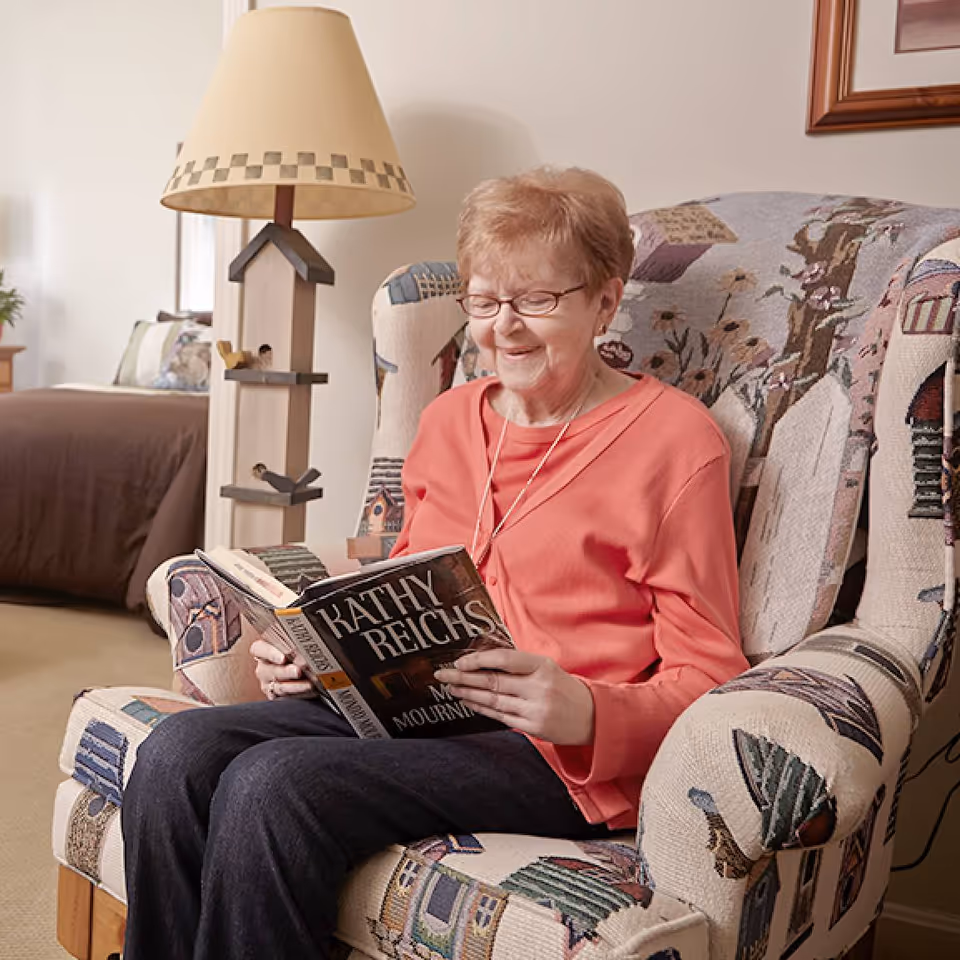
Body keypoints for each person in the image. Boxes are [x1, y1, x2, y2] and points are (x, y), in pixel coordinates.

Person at [121, 166, 749, 960]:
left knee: (274, 785)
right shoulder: (450, 419)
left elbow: (711, 675)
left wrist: (588, 710)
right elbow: (409, 587)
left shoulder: (677, 441)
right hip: (415, 716)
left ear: (604, 299)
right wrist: (322, 657)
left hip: (549, 754)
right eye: (484, 302)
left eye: (537, 300)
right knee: (175, 755)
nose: (505, 329)